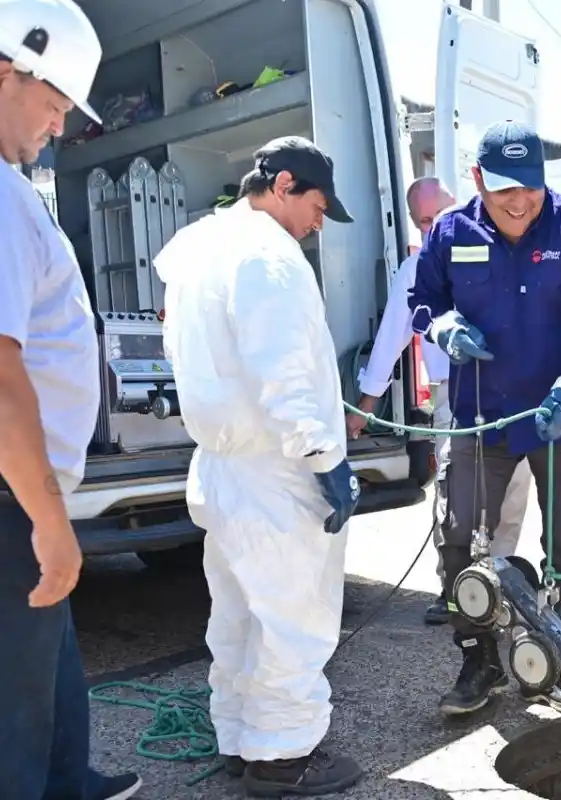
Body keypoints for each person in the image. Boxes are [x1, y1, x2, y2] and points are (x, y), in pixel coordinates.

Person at [153, 136, 363, 795]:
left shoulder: (200, 248)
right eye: (317, 206)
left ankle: (243, 737)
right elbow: (286, 372)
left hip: (221, 465)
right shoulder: (269, 257)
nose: (317, 224)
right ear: (283, 185)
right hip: (275, 472)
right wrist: (326, 459)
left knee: (239, 615)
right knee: (293, 618)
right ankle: (283, 760)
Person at [408, 120, 561, 716]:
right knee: (459, 538)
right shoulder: (451, 233)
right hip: (484, 418)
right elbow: (422, 299)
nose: (519, 201)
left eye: (529, 186)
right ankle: (479, 659)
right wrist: (441, 325)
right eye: (504, 188)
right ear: (478, 180)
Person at [0, 1, 143, 797]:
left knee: (44, 661)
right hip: (11, 494)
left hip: (19, 488)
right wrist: (50, 521)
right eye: (54, 105)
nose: (58, 128)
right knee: (9, 711)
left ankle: (66, 782)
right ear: (6, 72)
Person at [347, 176, 533, 626]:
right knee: (455, 497)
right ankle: (452, 588)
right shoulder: (416, 269)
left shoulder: (506, 253)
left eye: (441, 216)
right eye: (424, 221)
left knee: (511, 494)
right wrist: (364, 407)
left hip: (513, 392)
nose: (435, 228)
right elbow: (392, 335)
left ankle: (497, 585)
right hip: (454, 399)